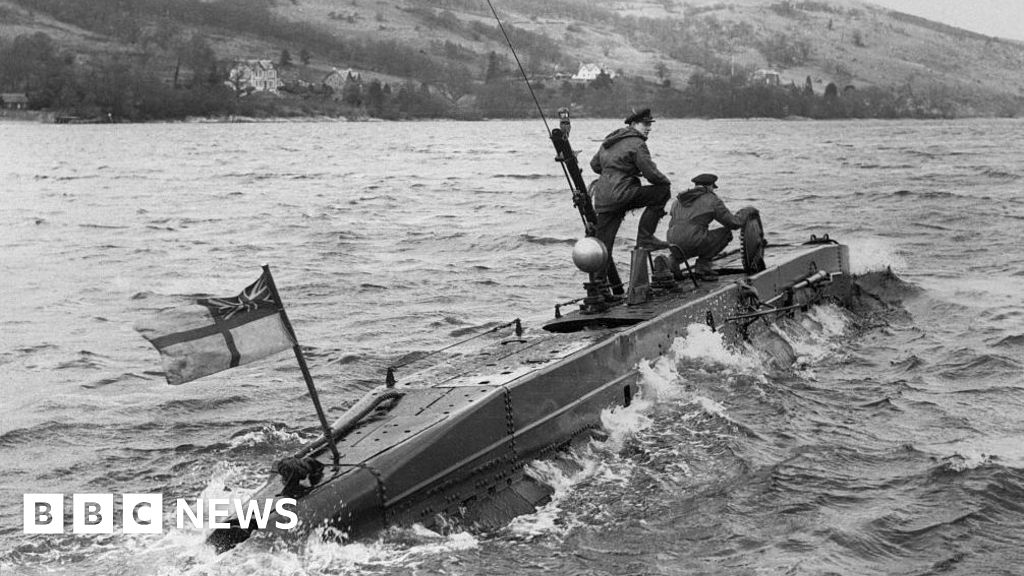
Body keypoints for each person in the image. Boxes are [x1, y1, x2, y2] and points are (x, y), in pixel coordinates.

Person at [589, 108, 672, 292]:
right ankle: (645, 237)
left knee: (603, 245)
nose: (649, 128)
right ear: (633, 125)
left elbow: (595, 165)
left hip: (603, 198)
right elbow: (651, 173)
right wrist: (666, 181)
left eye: (650, 124)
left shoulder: (610, 140)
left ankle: (597, 289)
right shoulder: (637, 143)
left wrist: (616, 171)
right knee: (662, 191)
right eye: (645, 124)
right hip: (622, 195)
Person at [666, 173, 754, 281]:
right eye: (713, 187)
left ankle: (673, 261)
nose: (713, 190)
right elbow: (733, 223)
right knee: (725, 233)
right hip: (693, 239)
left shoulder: (678, 200)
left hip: (672, 241)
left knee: (686, 239)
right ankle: (702, 266)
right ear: (709, 187)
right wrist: (746, 211)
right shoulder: (712, 200)